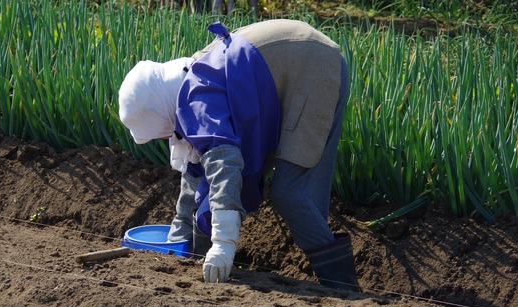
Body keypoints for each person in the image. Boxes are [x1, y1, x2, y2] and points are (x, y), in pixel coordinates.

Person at [118, 19, 361, 292]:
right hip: (288, 65)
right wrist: (179, 234)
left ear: (159, 112)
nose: (166, 138)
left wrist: (223, 245)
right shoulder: (187, 84)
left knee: (292, 193)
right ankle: (200, 254)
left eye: (161, 133)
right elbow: (196, 169)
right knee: (211, 196)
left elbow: (224, 163)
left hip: (312, 66)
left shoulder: (198, 98)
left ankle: (343, 288)